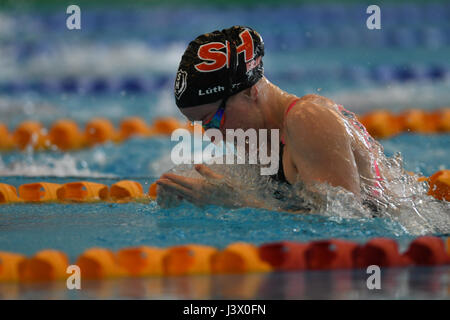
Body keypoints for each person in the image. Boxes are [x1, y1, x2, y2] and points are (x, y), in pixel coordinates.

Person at [156, 25, 385, 211]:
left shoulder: (309, 120)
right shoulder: (261, 140)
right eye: (201, 125)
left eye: (213, 120)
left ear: (249, 92)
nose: (212, 134)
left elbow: (347, 221)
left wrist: (238, 204)